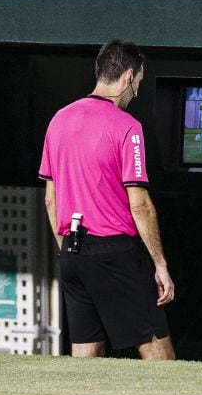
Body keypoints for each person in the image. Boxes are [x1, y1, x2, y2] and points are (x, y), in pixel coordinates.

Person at [39, 39, 176, 360]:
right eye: (138, 83)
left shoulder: (59, 119)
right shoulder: (128, 127)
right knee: (160, 352)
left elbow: (50, 200)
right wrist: (160, 265)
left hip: (72, 253)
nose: (137, 92)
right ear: (128, 76)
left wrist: (70, 252)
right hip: (116, 253)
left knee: (86, 354)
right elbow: (140, 205)